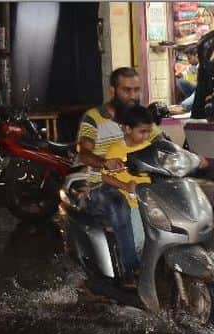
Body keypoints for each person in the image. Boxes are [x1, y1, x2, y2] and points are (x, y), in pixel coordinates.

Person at [76, 67, 149, 284]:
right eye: (127, 90)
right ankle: (131, 270)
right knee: (119, 205)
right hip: (102, 186)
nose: (133, 96)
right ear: (113, 90)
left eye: (136, 90)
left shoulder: (140, 117)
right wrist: (103, 162)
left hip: (138, 184)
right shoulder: (95, 117)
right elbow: (84, 152)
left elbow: (160, 142)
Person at [101, 104, 160, 282]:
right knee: (141, 241)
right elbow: (106, 177)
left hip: (153, 202)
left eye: (148, 131)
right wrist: (125, 186)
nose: (146, 136)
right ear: (127, 129)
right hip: (134, 203)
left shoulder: (149, 147)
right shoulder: (115, 151)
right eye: (142, 132)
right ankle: (137, 273)